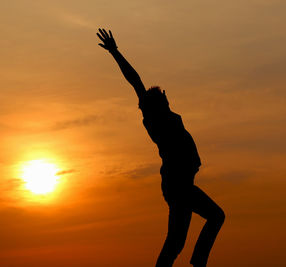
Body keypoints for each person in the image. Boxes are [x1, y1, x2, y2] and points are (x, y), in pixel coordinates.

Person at [97, 28, 225, 267]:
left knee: (176, 242)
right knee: (215, 217)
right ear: (156, 103)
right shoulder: (156, 118)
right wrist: (115, 52)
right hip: (178, 185)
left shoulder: (164, 114)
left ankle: (196, 261)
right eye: (163, 96)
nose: (167, 97)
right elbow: (135, 80)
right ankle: (199, 262)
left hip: (181, 183)